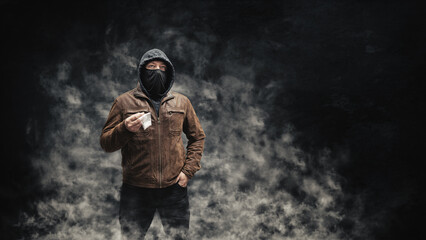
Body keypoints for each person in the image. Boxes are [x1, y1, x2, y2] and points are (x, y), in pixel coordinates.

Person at [100, 48, 206, 239]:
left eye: (162, 68)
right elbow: (106, 143)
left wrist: (187, 172)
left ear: (170, 73)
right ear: (142, 71)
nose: (157, 71)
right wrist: (124, 128)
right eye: (152, 67)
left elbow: (197, 137)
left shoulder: (182, 103)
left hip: (174, 189)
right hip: (136, 190)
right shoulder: (123, 102)